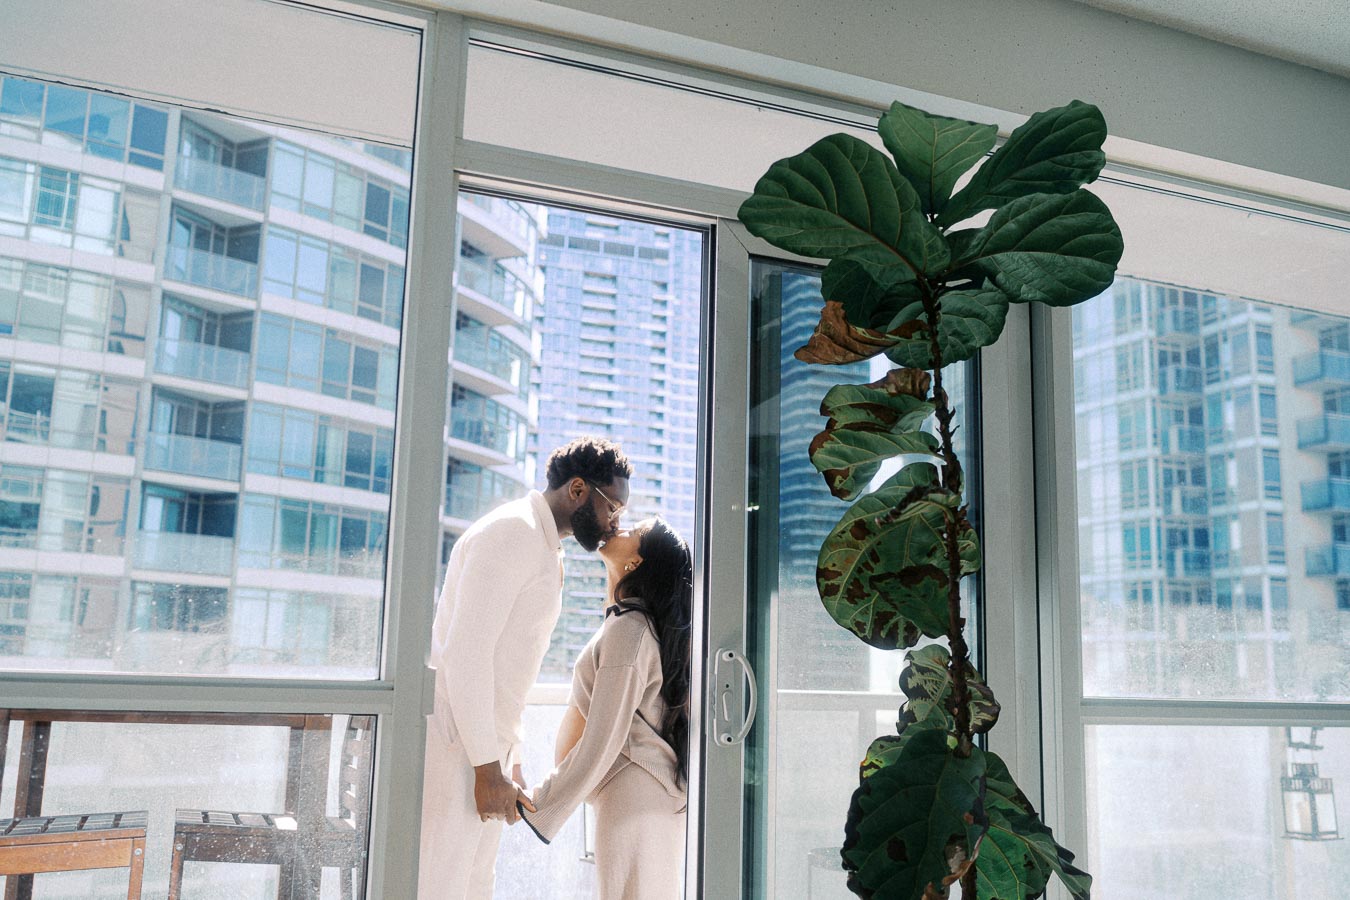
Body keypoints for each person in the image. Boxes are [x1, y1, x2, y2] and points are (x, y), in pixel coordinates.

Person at [418, 437, 632, 900]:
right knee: (440, 886)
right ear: (578, 490)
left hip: (482, 749)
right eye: (612, 506)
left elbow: (507, 666)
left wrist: (509, 758)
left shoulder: (543, 545)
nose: (616, 522)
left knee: (474, 886)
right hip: (459, 748)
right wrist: (485, 767)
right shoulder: (511, 532)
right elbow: (467, 655)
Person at [519, 517, 692, 900]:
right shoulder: (636, 624)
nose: (620, 527)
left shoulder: (630, 629)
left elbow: (604, 736)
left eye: (635, 531)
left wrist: (541, 802)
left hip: (633, 796)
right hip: (643, 796)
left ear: (637, 563)